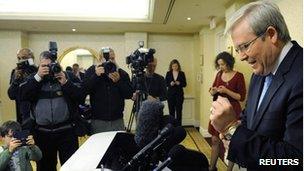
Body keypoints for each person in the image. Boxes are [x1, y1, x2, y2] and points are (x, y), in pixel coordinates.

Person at [210, 1, 302, 170]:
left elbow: (295, 161)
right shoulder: (259, 72)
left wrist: (232, 130)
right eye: (238, 49)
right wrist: (231, 134)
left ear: (271, 34)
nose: (242, 57)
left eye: (244, 46)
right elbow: (249, 120)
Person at [20, 51, 81, 171]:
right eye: (44, 66)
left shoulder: (67, 76)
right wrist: (38, 77)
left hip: (67, 132)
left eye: (51, 65)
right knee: (45, 167)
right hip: (43, 133)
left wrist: (65, 82)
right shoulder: (33, 78)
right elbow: (23, 96)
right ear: (39, 66)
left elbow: (80, 96)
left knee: (71, 166)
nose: (49, 69)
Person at [208, 52, 246, 171]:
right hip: (218, 110)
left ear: (229, 63)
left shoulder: (239, 76)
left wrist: (226, 91)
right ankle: (212, 167)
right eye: (219, 65)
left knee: (231, 142)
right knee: (215, 139)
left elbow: (241, 97)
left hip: (232, 112)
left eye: (223, 64)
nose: (220, 67)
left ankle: (229, 169)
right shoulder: (219, 74)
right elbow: (212, 90)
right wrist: (213, 91)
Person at [82, 48, 133, 134]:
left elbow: (129, 94)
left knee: (117, 146)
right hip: (98, 121)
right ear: (99, 59)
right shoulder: (92, 71)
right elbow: (84, 91)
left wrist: (118, 81)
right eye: (106, 58)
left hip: (117, 120)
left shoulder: (121, 73)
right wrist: (96, 76)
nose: (109, 61)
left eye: (112, 58)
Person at [7, 48, 38, 128]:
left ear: (31, 58)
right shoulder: (15, 72)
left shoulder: (38, 71)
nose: (21, 60)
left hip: (37, 115)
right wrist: (16, 80)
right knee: (23, 139)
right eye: (19, 58)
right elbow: (11, 95)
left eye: (24, 57)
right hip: (22, 116)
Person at [165, 59, 187, 126]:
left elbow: (185, 84)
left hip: (179, 95)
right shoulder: (168, 73)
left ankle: (179, 127)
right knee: (171, 112)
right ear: (171, 66)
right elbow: (165, 83)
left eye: (176, 66)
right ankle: (171, 127)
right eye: (173, 66)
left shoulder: (182, 73)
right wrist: (170, 84)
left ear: (178, 66)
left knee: (179, 112)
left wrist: (179, 83)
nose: (175, 67)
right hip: (170, 95)